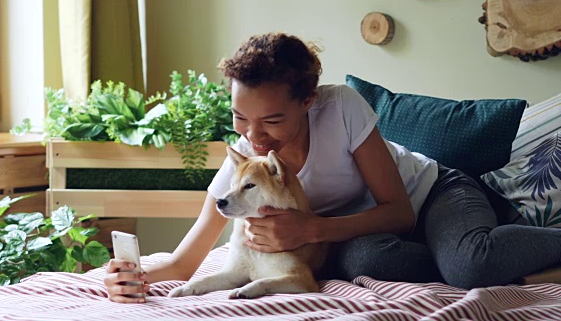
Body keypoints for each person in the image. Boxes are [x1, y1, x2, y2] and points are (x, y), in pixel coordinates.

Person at [104, 32, 561, 303]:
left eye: (273, 120)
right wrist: (131, 276)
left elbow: (399, 212)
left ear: (308, 102)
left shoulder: (340, 106)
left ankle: (486, 241)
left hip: (433, 195)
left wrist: (309, 230)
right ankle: (469, 252)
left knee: (468, 265)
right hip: (370, 235)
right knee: (364, 261)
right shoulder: (249, 165)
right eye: (241, 118)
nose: (255, 135)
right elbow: (187, 262)